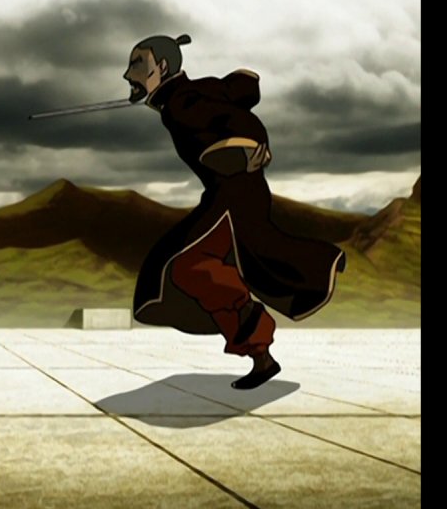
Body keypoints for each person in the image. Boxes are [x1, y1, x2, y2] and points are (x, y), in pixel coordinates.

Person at [125, 35, 346, 389]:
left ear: (162, 67)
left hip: (231, 194)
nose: (128, 75)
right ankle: (262, 353)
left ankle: (314, 272)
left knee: (189, 266)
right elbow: (242, 87)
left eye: (137, 64)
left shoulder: (180, 104)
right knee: (199, 265)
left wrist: (248, 148)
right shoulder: (194, 92)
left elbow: (229, 123)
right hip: (239, 192)